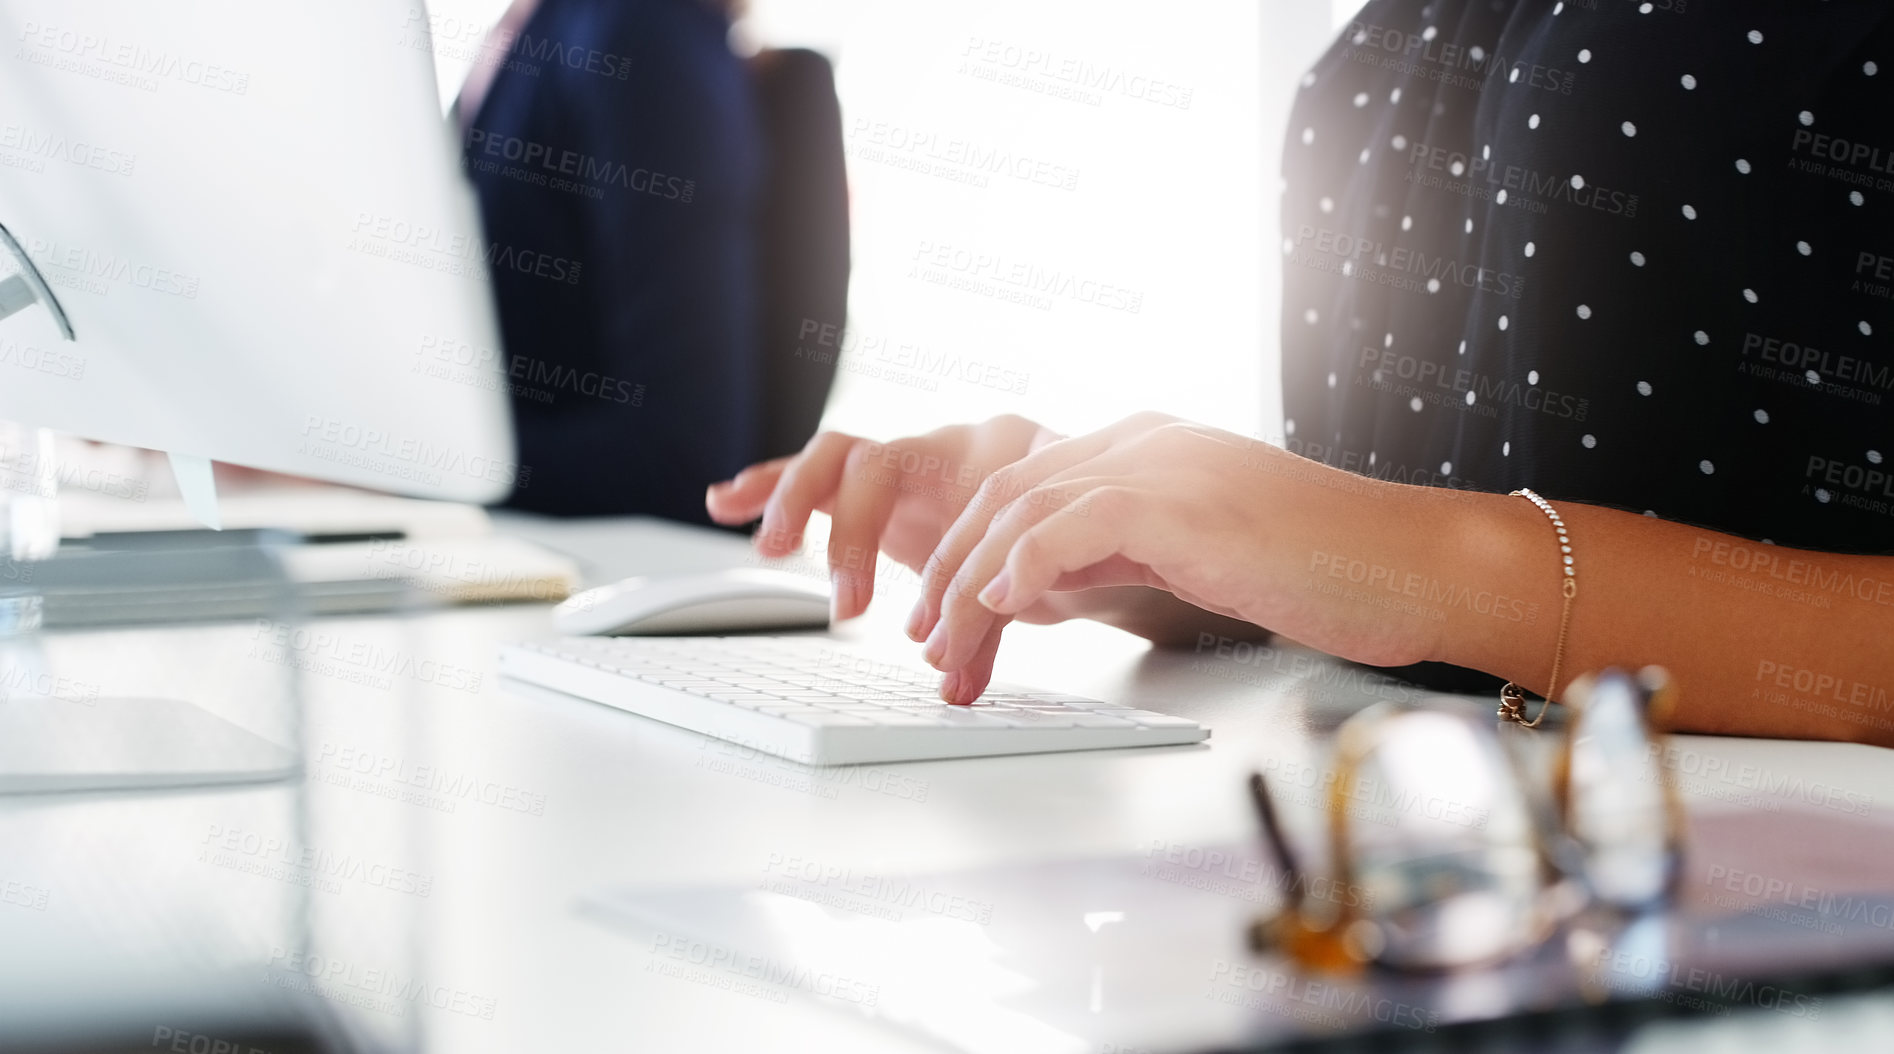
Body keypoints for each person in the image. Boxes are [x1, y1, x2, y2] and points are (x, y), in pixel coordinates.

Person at [706, 2, 1894, 747]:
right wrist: (1137, 539)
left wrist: (1429, 561)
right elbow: (1404, 553)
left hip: (1746, 894)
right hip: (1412, 845)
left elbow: (1437, 561)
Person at [459, 0, 763, 523]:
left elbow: (681, 455)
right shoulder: (543, 24)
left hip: (588, 567)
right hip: (507, 539)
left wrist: (398, 464)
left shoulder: (643, 32)